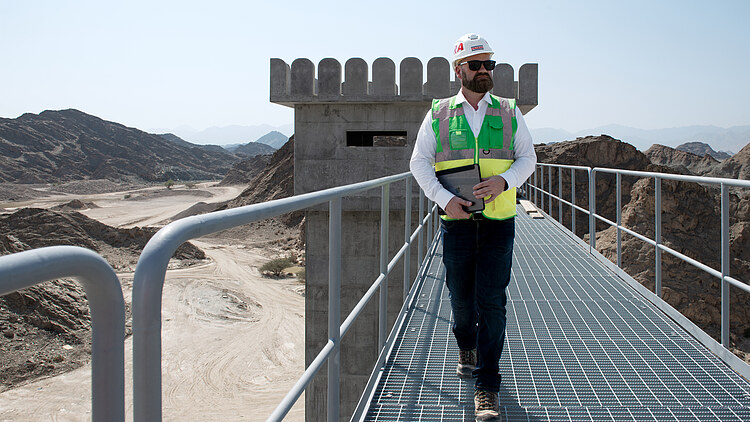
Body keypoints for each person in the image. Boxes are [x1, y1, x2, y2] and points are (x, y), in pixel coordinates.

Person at [409, 33, 536, 421]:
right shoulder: (439, 114)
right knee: (462, 303)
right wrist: (446, 200)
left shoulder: (509, 111)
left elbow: (528, 158)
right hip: (458, 223)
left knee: (492, 304)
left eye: (489, 65)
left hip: (499, 222)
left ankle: (487, 386)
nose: (484, 71)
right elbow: (419, 163)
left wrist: (505, 182)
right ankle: (466, 344)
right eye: (477, 65)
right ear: (459, 69)